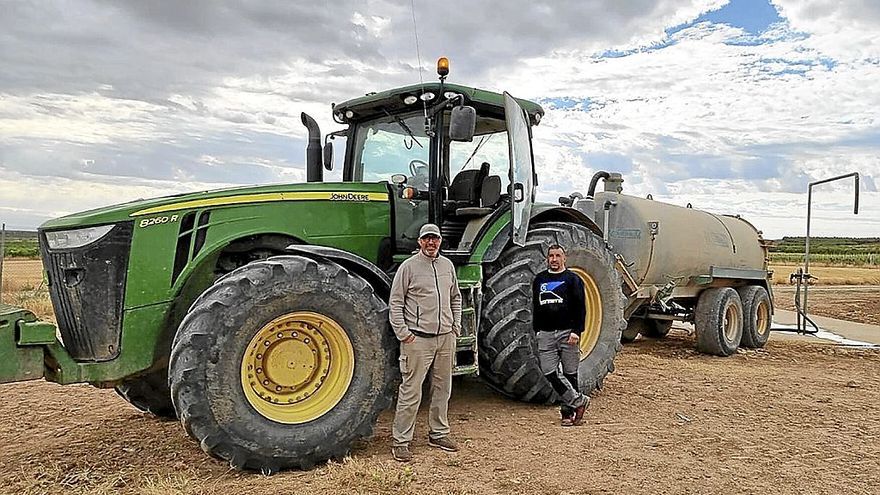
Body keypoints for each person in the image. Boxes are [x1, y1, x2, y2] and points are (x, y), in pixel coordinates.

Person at [389, 223, 462, 462]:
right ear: (420, 242)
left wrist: (455, 327)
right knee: (411, 391)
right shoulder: (408, 267)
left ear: (440, 241)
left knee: (443, 389)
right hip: (417, 339)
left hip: (445, 339)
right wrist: (404, 334)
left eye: (435, 239)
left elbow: (456, 298)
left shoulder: (447, 266)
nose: (431, 243)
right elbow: (396, 303)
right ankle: (401, 441)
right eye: (427, 239)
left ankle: (438, 433)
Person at [532, 243, 590, 426]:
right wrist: (537, 330)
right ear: (547, 258)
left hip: (568, 334)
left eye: (558, 256)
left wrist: (576, 331)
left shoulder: (573, 279)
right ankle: (579, 401)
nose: (554, 259)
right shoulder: (540, 279)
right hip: (546, 334)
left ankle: (567, 413)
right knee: (549, 371)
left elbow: (581, 307)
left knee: (570, 373)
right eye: (551, 256)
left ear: (564, 258)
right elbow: (536, 306)